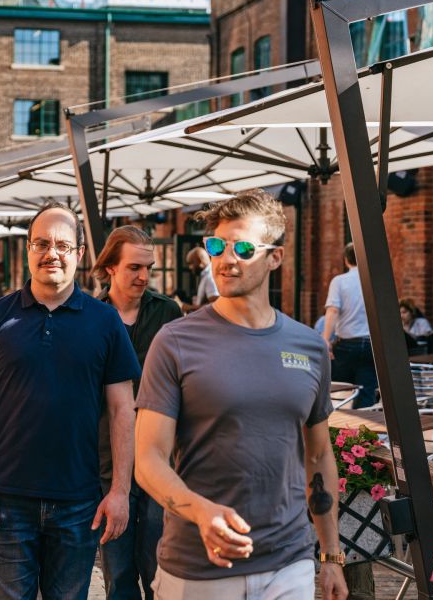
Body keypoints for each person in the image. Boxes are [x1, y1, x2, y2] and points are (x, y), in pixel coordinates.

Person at [134, 190, 347, 600]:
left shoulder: (310, 347)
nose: (226, 259)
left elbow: (319, 455)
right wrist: (200, 512)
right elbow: (147, 459)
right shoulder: (176, 340)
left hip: (289, 563)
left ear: (275, 258)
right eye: (217, 245)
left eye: (244, 247)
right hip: (198, 568)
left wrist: (331, 553)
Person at [0, 202, 142, 599]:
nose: (51, 253)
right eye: (41, 243)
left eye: (62, 244)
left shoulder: (104, 321)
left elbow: (123, 410)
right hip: (6, 500)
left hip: (79, 501)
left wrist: (120, 492)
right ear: (28, 250)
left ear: (79, 254)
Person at [90, 225, 182, 599]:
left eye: (149, 267)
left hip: (160, 456)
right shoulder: (91, 316)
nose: (144, 276)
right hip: (108, 460)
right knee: (119, 571)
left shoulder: (168, 312)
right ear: (110, 267)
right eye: (134, 267)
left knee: (160, 565)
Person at [322, 244, 378, 409]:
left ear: (346, 260)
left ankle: (341, 432)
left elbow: (333, 310)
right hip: (371, 345)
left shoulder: (339, 281)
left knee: (342, 393)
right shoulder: (375, 281)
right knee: (366, 393)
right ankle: (365, 433)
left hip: (347, 344)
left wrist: (325, 338)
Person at [185, 246, 219, 310]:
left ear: (199, 261)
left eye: (191, 263)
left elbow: (214, 304)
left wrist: (189, 308)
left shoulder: (210, 277)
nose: (190, 267)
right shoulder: (206, 275)